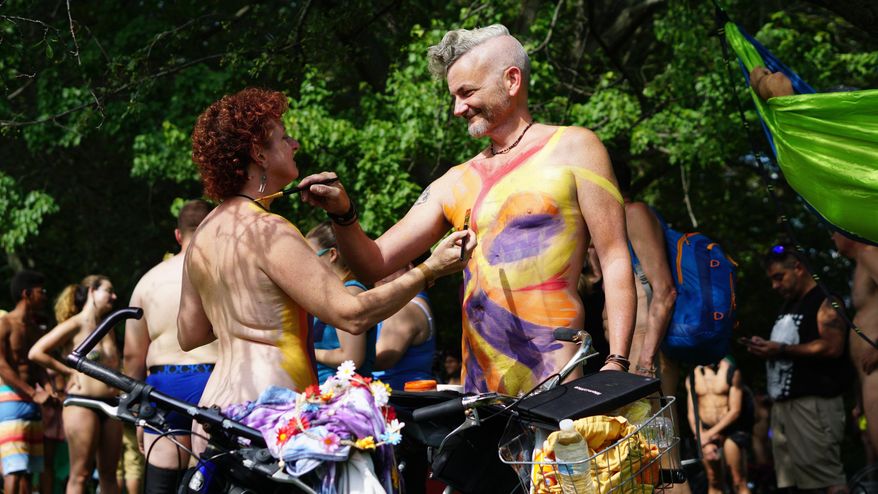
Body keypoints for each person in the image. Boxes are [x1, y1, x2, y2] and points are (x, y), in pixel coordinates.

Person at [299, 24, 635, 394]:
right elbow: (374, 262)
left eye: (467, 92)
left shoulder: (574, 148)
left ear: (511, 80)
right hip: (480, 393)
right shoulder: (456, 181)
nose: (458, 108)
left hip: (556, 376)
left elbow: (615, 256)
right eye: (454, 96)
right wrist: (343, 213)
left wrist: (617, 360)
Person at [180, 87, 473, 455]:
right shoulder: (269, 229)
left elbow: (190, 334)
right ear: (258, 154)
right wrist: (431, 269)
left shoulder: (205, 232)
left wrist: (244, 313)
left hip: (211, 415)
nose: (295, 143)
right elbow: (352, 315)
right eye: (284, 137)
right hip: (268, 417)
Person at [122, 198, 216, 492]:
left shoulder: (147, 281)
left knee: (161, 486)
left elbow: (132, 356)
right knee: (210, 478)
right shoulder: (225, 275)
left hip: (163, 384)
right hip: (213, 380)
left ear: (178, 235)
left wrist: (138, 409)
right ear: (214, 230)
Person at [745, 244, 849, 493]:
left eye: (779, 277)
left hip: (813, 406)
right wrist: (765, 347)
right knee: (792, 486)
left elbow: (832, 347)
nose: (775, 286)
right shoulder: (789, 306)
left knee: (828, 482)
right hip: (783, 410)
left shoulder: (826, 300)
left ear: (799, 268)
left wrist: (779, 349)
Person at [29, 275, 122, 494]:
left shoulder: (108, 327)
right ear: (91, 291)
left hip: (112, 404)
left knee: (109, 475)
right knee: (80, 474)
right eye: (108, 290)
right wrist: (67, 370)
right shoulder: (76, 324)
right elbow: (36, 352)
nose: (114, 296)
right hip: (82, 403)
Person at [611, 160, 677, 384]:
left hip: (646, 356)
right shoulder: (616, 223)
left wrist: (645, 362)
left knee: (655, 419)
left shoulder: (634, 213)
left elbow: (665, 291)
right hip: (630, 354)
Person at [305, 221, 377, 383]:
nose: (304, 262)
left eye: (310, 255)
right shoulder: (333, 294)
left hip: (346, 397)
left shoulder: (350, 292)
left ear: (332, 254)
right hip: (328, 394)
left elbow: (352, 357)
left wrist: (306, 351)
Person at [0, 270, 51, 494]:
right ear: (26, 293)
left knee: (30, 470)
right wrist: (33, 393)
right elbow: (2, 367)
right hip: (10, 399)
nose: (45, 296)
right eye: (42, 291)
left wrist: (50, 389)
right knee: (15, 469)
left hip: (33, 402)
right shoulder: (5, 324)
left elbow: (37, 366)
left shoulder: (33, 328)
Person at [831, 232, 878, 462]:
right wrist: (859, 400)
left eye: (833, 231)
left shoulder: (870, 253)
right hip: (867, 378)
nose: (831, 237)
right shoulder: (861, 263)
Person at [685, 356, 752, 494]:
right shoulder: (693, 377)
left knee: (738, 480)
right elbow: (692, 413)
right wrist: (700, 435)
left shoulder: (731, 372)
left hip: (731, 431)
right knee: (713, 480)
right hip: (705, 432)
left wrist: (708, 435)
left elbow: (735, 411)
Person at [371, 263, 436, 390]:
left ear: (410, 268)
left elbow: (382, 359)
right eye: (374, 266)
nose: (379, 274)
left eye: (387, 266)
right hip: (402, 399)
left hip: (400, 401)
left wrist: (328, 356)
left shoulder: (403, 309)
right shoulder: (413, 302)